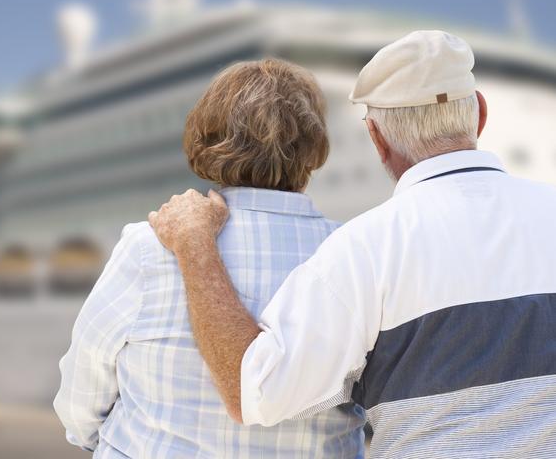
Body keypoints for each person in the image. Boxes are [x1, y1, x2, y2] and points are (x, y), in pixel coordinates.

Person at [148, 30, 556, 458]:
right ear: (480, 116)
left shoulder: (365, 250)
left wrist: (195, 244)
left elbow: (254, 392)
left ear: (377, 139)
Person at [54, 58, 366, 458]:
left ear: (207, 139)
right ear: (314, 148)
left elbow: (84, 386)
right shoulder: (353, 253)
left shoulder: (150, 245)